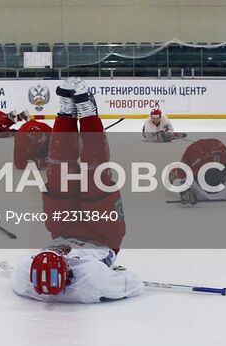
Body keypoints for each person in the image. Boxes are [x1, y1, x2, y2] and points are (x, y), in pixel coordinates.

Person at [11, 78, 134, 301]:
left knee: (59, 169)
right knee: (95, 172)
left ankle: (66, 111)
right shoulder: (90, 281)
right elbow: (133, 284)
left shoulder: (24, 278)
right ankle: (87, 112)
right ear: (68, 276)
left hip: (63, 229)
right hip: (102, 236)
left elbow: (25, 272)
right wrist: (111, 275)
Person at [11, 241, 143, 303]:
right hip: (100, 243)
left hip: (64, 235)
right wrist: (115, 273)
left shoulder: (22, 274)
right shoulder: (90, 278)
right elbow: (136, 284)